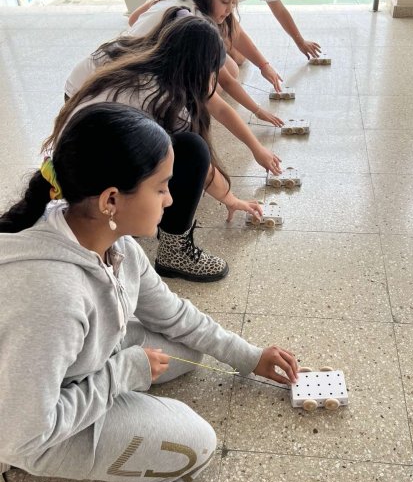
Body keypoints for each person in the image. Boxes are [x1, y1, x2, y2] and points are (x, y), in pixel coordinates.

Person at [0, 102, 298, 482]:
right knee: (195, 446)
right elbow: (23, 431)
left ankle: (98, 373)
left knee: (189, 351)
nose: (170, 200)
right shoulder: (53, 297)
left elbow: (174, 314)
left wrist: (249, 356)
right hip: (26, 430)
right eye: (160, 188)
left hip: (64, 367)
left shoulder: (114, 241)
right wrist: (122, 373)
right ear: (111, 200)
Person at [48, 15, 266, 284]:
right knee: (192, 150)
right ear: (199, 71)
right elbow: (199, 165)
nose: (213, 83)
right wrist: (231, 199)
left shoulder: (136, 64)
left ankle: (120, 217)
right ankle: (175, 252)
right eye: (213, 74)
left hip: (69, 170)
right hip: (91, 187)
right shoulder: (164, 98)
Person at [127, 0, 285, 110]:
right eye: (226, 1)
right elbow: (220, 89)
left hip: (128, 53)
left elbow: (133, 19)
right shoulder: (194, 17)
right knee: (213, 81)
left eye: (234, 2)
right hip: (141, 72)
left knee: (228, 69)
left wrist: (263, 65)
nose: (230, 8)